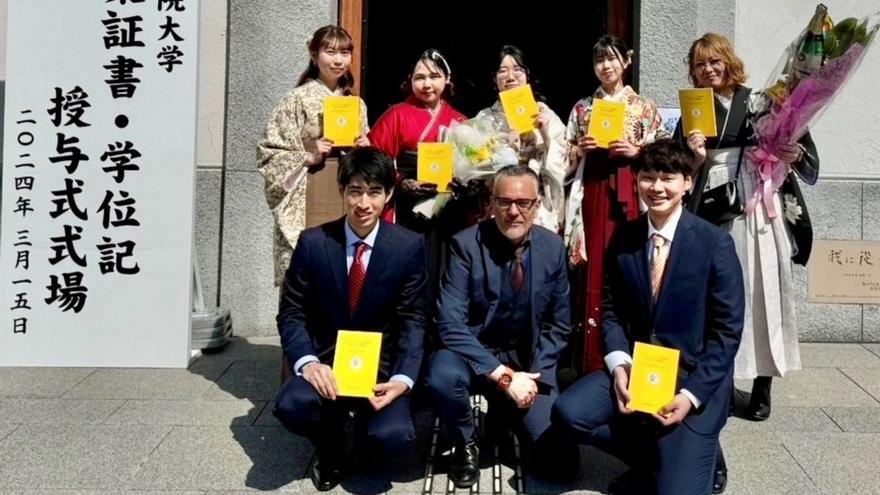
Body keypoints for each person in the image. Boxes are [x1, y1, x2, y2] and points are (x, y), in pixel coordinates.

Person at [550, 139, 744, 495]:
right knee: (568, 413)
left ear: (687, 182)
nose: (657, 188)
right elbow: (609, 311)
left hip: (692, 377)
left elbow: (727, 333)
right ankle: (651, 457)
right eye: (648, 177)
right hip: (640, 369)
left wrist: (689, 396)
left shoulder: (714, 243)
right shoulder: (625, 236)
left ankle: (701, 449)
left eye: (668, 178)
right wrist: (620, 365)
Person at [676, 33, 819, 426]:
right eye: (700, 64)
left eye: (714, 61)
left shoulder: (760, 100)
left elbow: (799, 144)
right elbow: (676, 168)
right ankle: (714, 381)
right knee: (713, 296)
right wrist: (694, 156)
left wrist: (792, 151)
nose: (708, 69)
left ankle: (762, 384)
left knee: (762, 289)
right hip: (710, 203)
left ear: (728, 61)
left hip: (756, 199)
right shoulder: (693, 109)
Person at [272, 147, 428, 491]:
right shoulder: (313, 243)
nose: (364, 203)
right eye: (355, 191)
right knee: (291, 405)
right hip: (327, 363)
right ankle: (330, 445)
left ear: (388, 195)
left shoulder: (409, 246)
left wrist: (403, 378)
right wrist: (308, 363)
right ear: (342, 190)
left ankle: (362, 435)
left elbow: (414, 319)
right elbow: (292, 312)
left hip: (380, 369)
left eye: (374, 192)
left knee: (395, 437)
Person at [425, 165, 572, 488]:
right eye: (504, 202)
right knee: (442, 375)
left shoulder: (552, 248)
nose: (514, 212)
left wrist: (536, 376)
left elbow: (558, 324)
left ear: (537, 205)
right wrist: (503, 377)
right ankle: (466, 442)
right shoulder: (464, 245)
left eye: (523, 203)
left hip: (526, 360)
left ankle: (503, 417)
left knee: (560, 465)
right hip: (473, 356)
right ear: (491, 203)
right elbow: (449, 323)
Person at [563, 35, 666, 375]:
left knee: (630, 266)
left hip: (631, 193)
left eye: (611, 59)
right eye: (598, 60)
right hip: (594, 188)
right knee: (594, 268)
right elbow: (562, 157)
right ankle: (589, 360)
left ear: (627, 61)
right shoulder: (582, 108)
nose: (605, 66)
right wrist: (580, 147)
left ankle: (634, 357)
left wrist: (638, 152)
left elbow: (664, 153)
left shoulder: (645, 107)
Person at [257, 25, 370, 287]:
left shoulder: (356, 104)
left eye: (344, 52)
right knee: (304, 276)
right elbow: (268, 152)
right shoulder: (295, 99)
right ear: (313, 53)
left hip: (345, 191)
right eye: (330, 52)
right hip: (309, 188)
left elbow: (367, 164)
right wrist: (308, 154)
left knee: (344, 274)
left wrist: (365, 149)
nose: (338, 60)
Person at [369, 48, 467, 230]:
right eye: (419, 77)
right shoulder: (396, 114)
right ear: (410, 80)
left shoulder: (460, 120)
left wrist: (463, 180)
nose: (427, 84)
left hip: (447, 207)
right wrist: (401, 181)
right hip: (405, 205)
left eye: (434, 76)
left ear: (447, 79)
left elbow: (469, 163)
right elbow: (374, 158)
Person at [473, 45, 568, 231]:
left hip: (536, 206)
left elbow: (564, 161)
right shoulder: (484, 118)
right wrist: (505, 149)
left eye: (517, 69)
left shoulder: (544, 113)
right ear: (494, 78)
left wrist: (545, 137)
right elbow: (473, 166)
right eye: (503, 71)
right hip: (498, 206)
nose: (510, 76)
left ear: (527, 74)